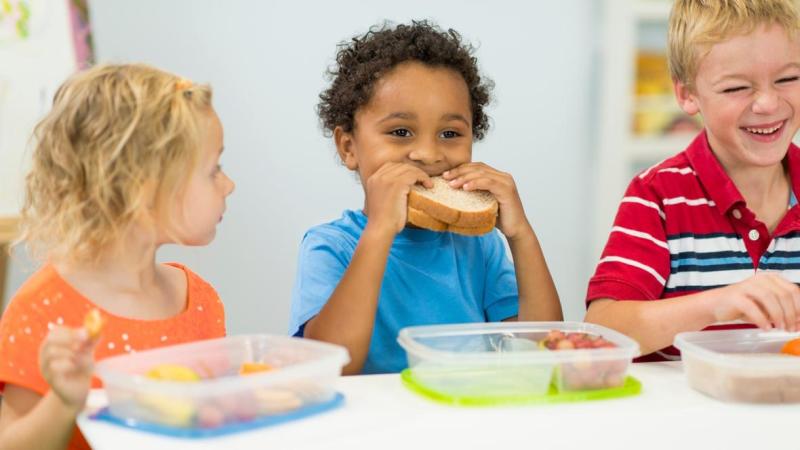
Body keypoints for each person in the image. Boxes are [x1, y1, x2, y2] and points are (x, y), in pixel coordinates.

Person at [289, 21, 563, 375]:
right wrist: (379, 231)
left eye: (450, 133)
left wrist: (520, 234)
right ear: (348, 147)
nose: (427, 153)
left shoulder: (479, 246)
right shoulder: (331, 246)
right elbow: (332, 368)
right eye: (400, 132)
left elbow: (541, 348)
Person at [0, 63, 235, 449]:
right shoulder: (41, 312)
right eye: (214, 169)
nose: (229, 184)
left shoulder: (201, 300)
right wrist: (62, 402)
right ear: (144, 193)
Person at [586, 0, 800, 361]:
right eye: (736, 88)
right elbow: (604, 331)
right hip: (686, 414)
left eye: (787, 79)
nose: (767, 103)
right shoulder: (657, 196)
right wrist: (716, 304)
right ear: (687, 94)